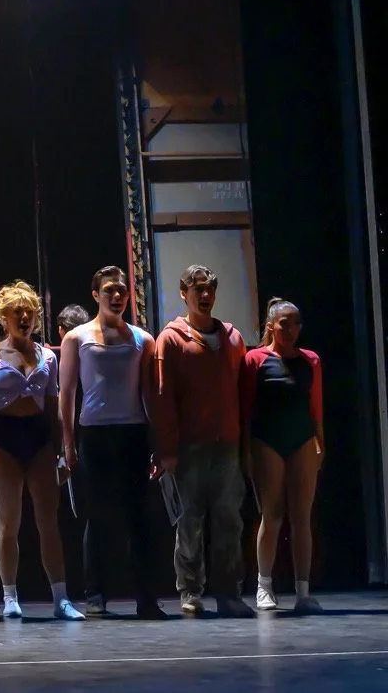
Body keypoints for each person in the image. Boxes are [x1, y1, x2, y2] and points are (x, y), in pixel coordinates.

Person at [58, 265, 164, 619]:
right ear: (96, 295)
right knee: (99, 517)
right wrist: (69, 444)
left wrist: (158, 440)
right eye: (109, 291)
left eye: (121, 290)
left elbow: (148, 392)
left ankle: (146, 599)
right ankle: (95, 595)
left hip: (133, 432)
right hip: (96, 435)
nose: (117, 296)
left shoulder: (142, 338)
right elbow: (67, 393)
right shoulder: (77, 338)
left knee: (139, 517)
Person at [0, 281, 83, 620]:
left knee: (47, 521)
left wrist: (63, 451)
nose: (24, 318)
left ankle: (61, 597)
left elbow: (54, 410)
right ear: (4, 318)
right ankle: (10, 596)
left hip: (38, 439)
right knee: (9, 521)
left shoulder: (48, 356)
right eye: (16, 313)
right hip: (5, 440)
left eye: (29, 313)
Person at [154, 264, 250, 617]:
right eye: (198, 290)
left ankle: (229, 592)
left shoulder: (233, 338)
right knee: (189, 522)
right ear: (184, 294)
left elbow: (241, 395)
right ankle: (190, 591)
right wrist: (167, 449)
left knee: (229, 520)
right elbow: (163, 397)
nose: (205, 295)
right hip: (190, 447)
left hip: (227, 444)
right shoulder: (172, 338)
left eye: (209, 289)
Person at [242, 298, 324, 612]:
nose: (291, 329)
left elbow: (316, 408)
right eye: (284, 323)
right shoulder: (255, 360)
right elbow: (246, 410)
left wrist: (320, 444)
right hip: (267, 441)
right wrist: (246, 451)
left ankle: (304, 591)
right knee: (272, 516)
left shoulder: (310, 360)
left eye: (296, 323)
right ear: (271, 326)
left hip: (302, 439)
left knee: (302, 517)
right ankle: (265, 586)